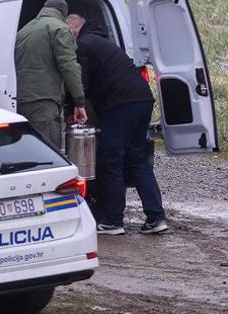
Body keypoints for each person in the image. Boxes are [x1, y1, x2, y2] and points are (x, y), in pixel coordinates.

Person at [68, 13, 168, 235]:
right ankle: (156, 217)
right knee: (138, 160)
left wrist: (72, 105)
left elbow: (80, 82)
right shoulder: (103, 41)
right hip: (142, 99)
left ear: (74, 29)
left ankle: (113, 220)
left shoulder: (83, 45)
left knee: (110, 159)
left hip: (120, 104)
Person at [14, 0, 88, 151]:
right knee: (47, 152)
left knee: (27, 150)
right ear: (63, 13)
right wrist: (79, 102)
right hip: (43, 101)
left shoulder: (24, 30)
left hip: (20, 100)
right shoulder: (60, 28)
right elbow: (69, 66)